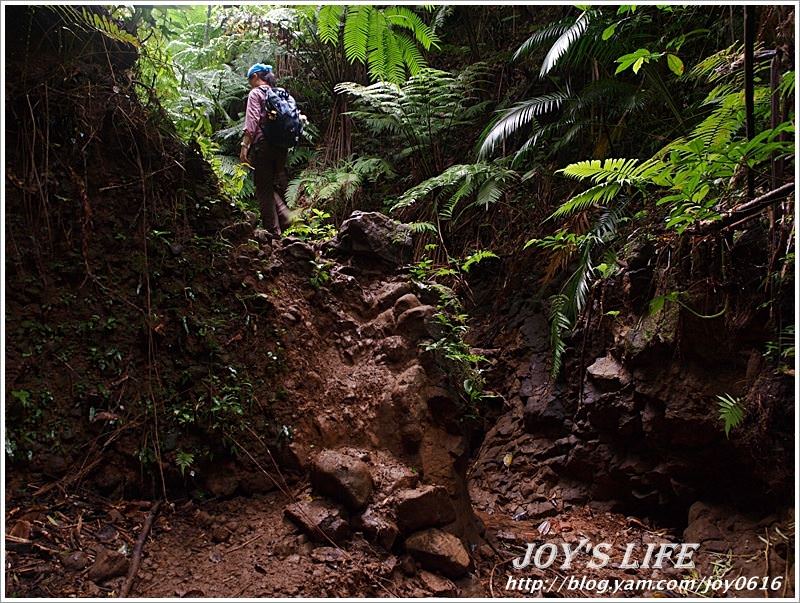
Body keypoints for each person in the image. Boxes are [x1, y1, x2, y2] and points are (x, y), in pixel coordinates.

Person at [240, 63, 291, 234]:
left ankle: (274, 234)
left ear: (255, 77)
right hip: (282, 147)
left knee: (263, 189)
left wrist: (244, 146)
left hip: (263, 145)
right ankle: (288, 222)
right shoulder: (280, 93)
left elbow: (252, 121)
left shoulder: (256, 93)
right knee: (270, 186)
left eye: (249, 79)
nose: (249, 83)